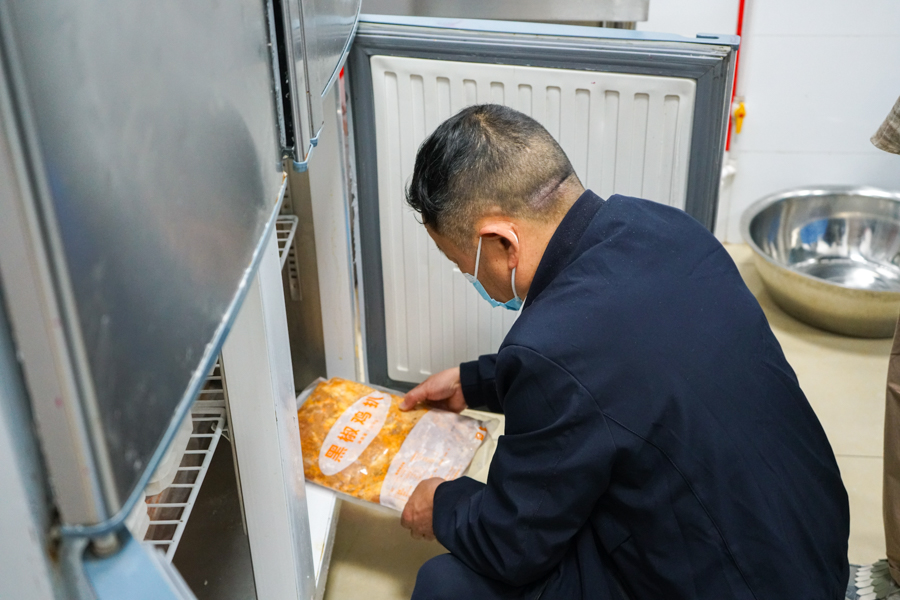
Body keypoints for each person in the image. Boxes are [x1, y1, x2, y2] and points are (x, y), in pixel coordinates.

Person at [396, 104, 850, 599]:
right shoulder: (666, 227)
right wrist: (475, 382)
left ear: (502, 243)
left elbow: (513, 545)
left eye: (465, 264)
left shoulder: (550, 349)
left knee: (446, 585)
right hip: (811, 551)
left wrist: (442, 505)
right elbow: (616, 371)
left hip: (736, 586)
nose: (470, 277)